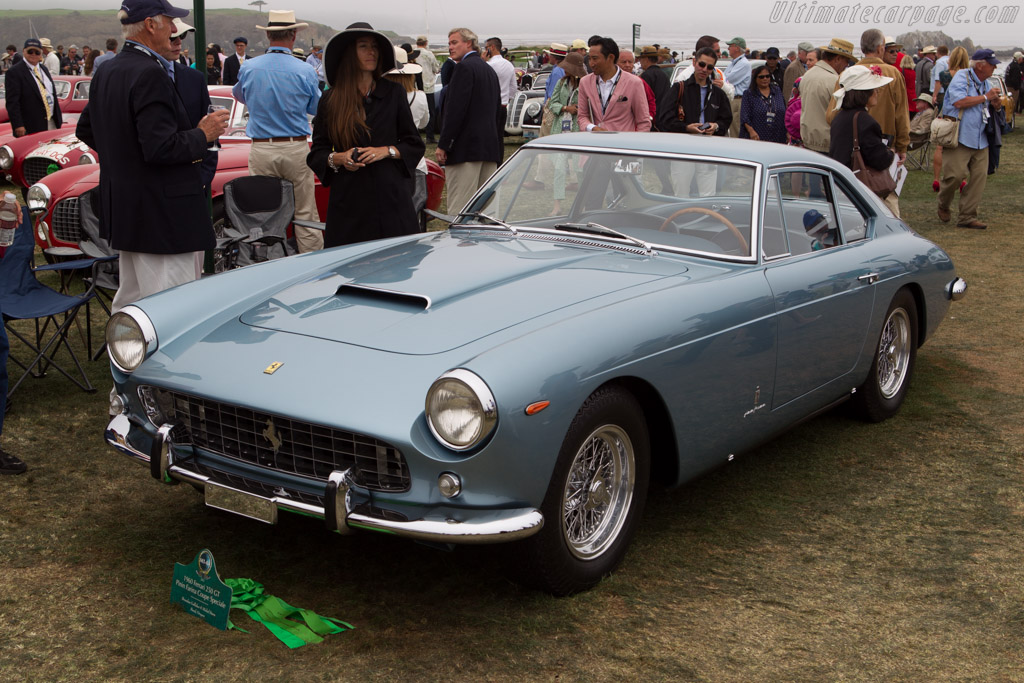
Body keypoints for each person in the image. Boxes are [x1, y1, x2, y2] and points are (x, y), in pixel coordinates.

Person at [76, 0, 229, 314]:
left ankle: (126, 361)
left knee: (133, 302)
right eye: (170, 22)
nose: (175, 30)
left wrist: (126, 163)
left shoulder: (108, 69)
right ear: (150, 24)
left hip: (129, 209)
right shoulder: (150, 73)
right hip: (163, 216)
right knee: (171, 308)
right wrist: (204, 134)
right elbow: (161, 147)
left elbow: (88, 129)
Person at [307, 24, 423, 247]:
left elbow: (413, 143)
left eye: (374, 47)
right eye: (363, 47)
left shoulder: (394, 93)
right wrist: (339, 158)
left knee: (396, 268)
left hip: (391, 199)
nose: (372, 52)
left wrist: (387, 151)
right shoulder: (331, 100)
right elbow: (317, 153)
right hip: (349, 203)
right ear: (350, 53)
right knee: (349, 269)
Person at [233, 9, 323, 253]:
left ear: (269, 36)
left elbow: (239, 95)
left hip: (262, 147)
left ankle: (267, 261)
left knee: (263, 213)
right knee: (305, 211)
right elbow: (316, 106)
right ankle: (311, 264)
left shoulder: (249, 67)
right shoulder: (305, 70)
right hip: (295, 146)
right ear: (293, 36)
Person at [435, 27, 501, 214]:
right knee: (485, 212)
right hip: (488, 149)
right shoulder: (488, 70)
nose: (450, 47)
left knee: (460, 209)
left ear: (469, 43)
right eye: (449, 43)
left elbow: (455, 111)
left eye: (454, 42)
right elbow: (496, 111)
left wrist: (444, 144)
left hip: (465, 150)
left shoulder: (463, 68)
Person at [937, 49, 1001, 229]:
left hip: (981, 138)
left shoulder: (986, 83)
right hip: (960, 136)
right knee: (954, 177)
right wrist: (985, 97)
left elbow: (989, 105)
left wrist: (996, 104)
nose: (995, 67)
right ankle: (943, 203)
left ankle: (967, 216)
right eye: (992, 63)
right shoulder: (961, 77)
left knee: (979, 179)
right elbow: (958, 102)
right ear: (980, 65)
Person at [656, 46, 732, 197]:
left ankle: (705, 219)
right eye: (702, 64)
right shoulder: (679, 88)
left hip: (709, 148)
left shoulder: (717, 93)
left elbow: (726, 119)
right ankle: (681, 219)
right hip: (683, 148)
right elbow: (663, 119)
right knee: (681, 193)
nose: (704, 69)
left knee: (707, 195)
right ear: (694, 62)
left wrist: (715, 126)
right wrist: (686, 128)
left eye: (709, 67)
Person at [829, 65, 895, 201]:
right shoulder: (865, 121)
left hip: (840, 184)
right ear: (864, 93)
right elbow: (879, 160)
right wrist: (891, 154)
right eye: (873, 89)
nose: (877, 91)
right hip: (858, 188)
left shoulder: (840, 117)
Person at [383, 46, 430, 222]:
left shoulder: (382, 97)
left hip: (390, 157)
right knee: (415, 211)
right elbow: (425, 123)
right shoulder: (420, 97)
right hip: (416, 160)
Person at [577, 37, 651, 133]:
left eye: (595, 59)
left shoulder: (634, 83)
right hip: (594, 144)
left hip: (622, 145)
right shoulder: (585, 82)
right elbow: (582, 116)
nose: (591, 64)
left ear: (611, 58)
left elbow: (643, 122)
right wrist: (592, 128)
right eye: (589, 58)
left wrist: (635, 145)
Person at [800, 38, 854, 154]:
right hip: (828, 143)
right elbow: (840, 114)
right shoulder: (834, 80)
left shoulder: (807, 75)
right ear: (838, 59)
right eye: (846, 61)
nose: (847, 65)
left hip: (808, 140)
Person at [547, 51, 585, 214]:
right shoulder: (561, 83)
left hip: (577, 129)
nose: (564, 70)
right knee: (559, 168)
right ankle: (557, 204)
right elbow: (552, 102)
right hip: (560, 127)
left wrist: (578, 109)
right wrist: (565, 108)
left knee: (579, 168)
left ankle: (582, 203)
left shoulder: (585, 84)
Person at [4, 38, 63, 139]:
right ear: (23, 51)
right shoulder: (15, 72)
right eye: (30, 51)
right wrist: (18, 125)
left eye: (37, 52)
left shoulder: (44, 69)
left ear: (41, 53)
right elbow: (12, 102)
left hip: (51, 122)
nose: (33, 54)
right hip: (30, 126)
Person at [931, 46, 969, 192]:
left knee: (941, 145)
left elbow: (940, 89)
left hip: (946, 110)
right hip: (963, 111)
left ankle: (936, 179)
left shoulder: (944, 74)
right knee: (963, 146)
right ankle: (963, 179)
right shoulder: (968, 76)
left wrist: (934, 96)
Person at [483, 37, 517, 160]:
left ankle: (489, 160)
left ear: (491, 48)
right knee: (499, 138)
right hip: (503, 105)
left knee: (488, 136)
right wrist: (507, 99)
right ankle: (499, 162)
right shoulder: (509, 65)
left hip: (489, 105)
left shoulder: (488, 65)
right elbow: (513, 87)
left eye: (486, 48)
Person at [741, 64, 787, 143]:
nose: (765, 79)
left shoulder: (777, 91)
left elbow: (785, 111)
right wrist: (751, 131)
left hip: (778, 135)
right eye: (761, 77)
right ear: (755, 78)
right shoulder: (749, 94)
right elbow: (744, 116)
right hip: (757, 136)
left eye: (767, 76)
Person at [414, 36, 440, 142]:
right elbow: (436, 68)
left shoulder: (414, 54)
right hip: (428, 87)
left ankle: (415, 134)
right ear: (426, 43)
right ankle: (430, 136)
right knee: (430, 112)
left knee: (415, 111)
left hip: (415, 87)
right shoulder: (429, 54)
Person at [723, 37, 751, 137]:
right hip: (731, 100)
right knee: (730, 129)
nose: (728, 48)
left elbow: (727, 79)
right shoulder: (734, 63)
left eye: (730, 46)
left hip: (737, 101)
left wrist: (720, 79)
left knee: (735, 130)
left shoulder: (744, 63)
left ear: (737, 48)